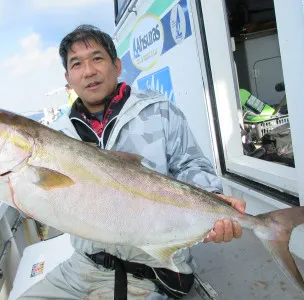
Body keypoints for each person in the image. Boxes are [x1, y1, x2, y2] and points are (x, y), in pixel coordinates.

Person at [19, 24, 246, 299]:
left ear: (116, 65)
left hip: (152, 265)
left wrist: (212, 199)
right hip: (84, 266)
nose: (88, 71)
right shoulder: (58, 133)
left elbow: (192, 165)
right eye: (77, 64)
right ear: (68, 78)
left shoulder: (158, 110)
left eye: (97, 58)